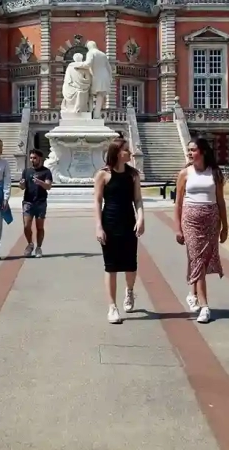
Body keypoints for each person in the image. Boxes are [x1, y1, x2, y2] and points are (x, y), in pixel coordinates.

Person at [173, 137, 228, 324]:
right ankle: (205, 307)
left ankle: (192, 293)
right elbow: (178, 202)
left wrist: (225, 227)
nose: (190, 153)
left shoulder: (215, 173)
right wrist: (177, 228)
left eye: (193, 150)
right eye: (189, 150)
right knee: (197, 259)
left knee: (202, 260)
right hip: (190, 220)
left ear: (203, 151)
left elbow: (221, 201)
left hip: (211, 219)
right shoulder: (184, 173)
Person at [93, 137, 144, 324]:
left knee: (131, 265)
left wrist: (141, 218)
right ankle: (112, 307)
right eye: (126, 150)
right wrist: (98, 226)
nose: (130, 153)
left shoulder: (133, 175)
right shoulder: (103, 175)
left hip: (129, 221)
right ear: (117, 153)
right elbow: (97, 201)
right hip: (110, 222)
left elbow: (137, 199)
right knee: (111, 266)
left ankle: (129, 291)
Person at [21, 148, 54, 257]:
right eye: (31, 158)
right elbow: (22, 186)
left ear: (40, 158)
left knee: (39, 227)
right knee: (26, 226)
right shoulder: (26, 171)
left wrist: (40, 182)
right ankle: (30, 244)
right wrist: (21, 184)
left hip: (40, 202)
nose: (32, 160)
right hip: (28, 202)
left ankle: (38, 247)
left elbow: (48, 186)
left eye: (35, 158)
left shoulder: (46, 172)